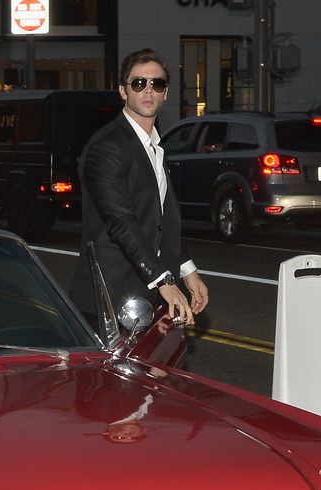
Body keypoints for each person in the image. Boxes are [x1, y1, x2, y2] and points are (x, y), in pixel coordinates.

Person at [68, 48, 209, 328]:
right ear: (123, 91)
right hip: (111, 298)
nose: (148, 91)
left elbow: (157, 222)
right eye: (138, 83)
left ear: (165, 93)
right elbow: (121, 221)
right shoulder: (107, 146)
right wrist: (165, 281)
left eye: (157, 84)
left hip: (146, 297)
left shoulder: (154, 147)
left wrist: (187, 269)